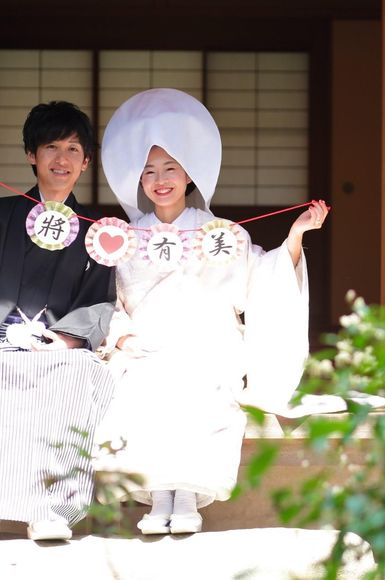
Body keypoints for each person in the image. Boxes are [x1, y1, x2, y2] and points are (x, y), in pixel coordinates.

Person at [97, 88, 328, 535]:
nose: (160, 179)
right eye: (149, 171)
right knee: (140, 387)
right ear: (139, 181)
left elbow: (261, 279)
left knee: (203, 384)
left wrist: (295, 237)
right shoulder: (126, 237)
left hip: (209, 345)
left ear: (188, 174)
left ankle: (186, 497)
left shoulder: (221, 233)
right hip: (145, 348)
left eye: (170, 168)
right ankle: (158, 496)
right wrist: (122, 335)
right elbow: (111, 300)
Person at [0, 101, 116, 540]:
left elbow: (101, 299)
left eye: (73, 149)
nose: (61, 159)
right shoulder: (1, 215)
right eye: (51, 146)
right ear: (32, 154)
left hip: (56, 346)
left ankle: (50, 510)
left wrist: (67, 338)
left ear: (85, 162)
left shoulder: (98, 231)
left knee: (74, 375)